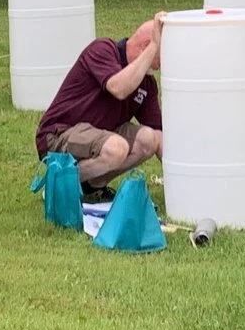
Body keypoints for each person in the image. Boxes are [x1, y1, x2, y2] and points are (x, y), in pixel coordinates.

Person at [35, 15, 163, 196]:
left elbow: (161, 135)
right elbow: (118, 88)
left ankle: (92, 186)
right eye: (162, 53)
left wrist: (188, 179)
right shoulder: (102, 49)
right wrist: (154, 48)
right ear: (146, 46)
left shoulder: (147, 84)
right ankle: (57, 182)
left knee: (150, 139)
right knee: (117, 148)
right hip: (59, 133)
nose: (164, 62)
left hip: (101, 137)